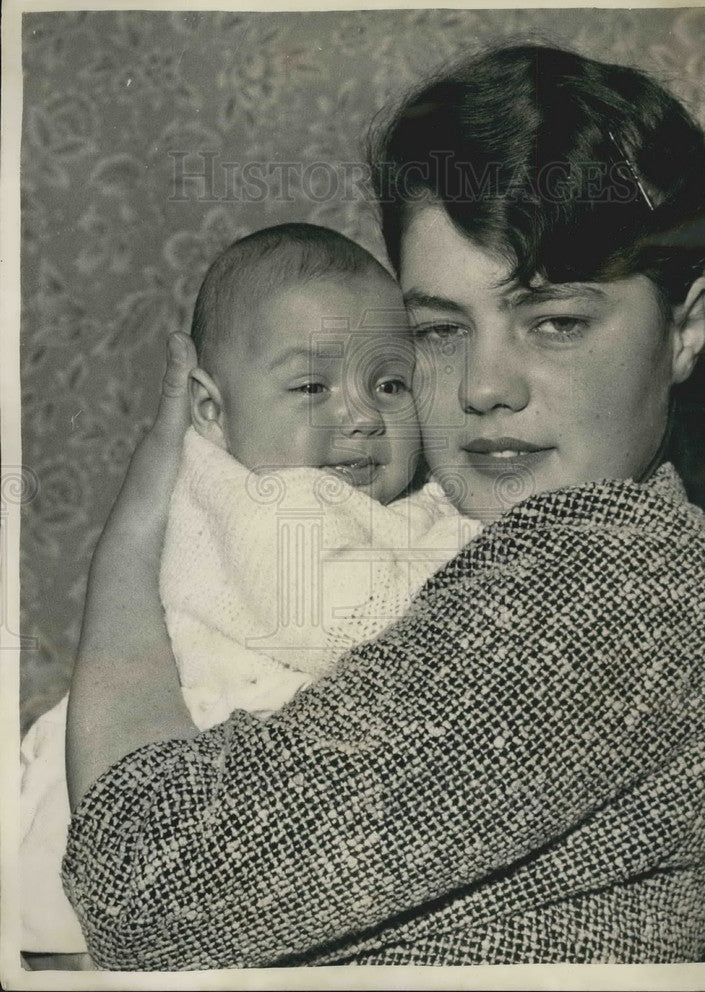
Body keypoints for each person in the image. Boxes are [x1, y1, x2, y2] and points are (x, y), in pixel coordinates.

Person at [60, 44, 705, 968]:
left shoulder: (614, 581)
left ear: (685, 329)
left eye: (556, 321)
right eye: (437, 330)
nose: (483, 387)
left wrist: (139, 520)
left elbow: (140, 886)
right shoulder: (456, 540)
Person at [20, 223, 482, 958]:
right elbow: (345, 622)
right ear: (209, 410)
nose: (361, 415)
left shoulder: (396, 497)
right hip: (159, 780)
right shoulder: (259, 501)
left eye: (389, 384)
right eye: (310, 386)